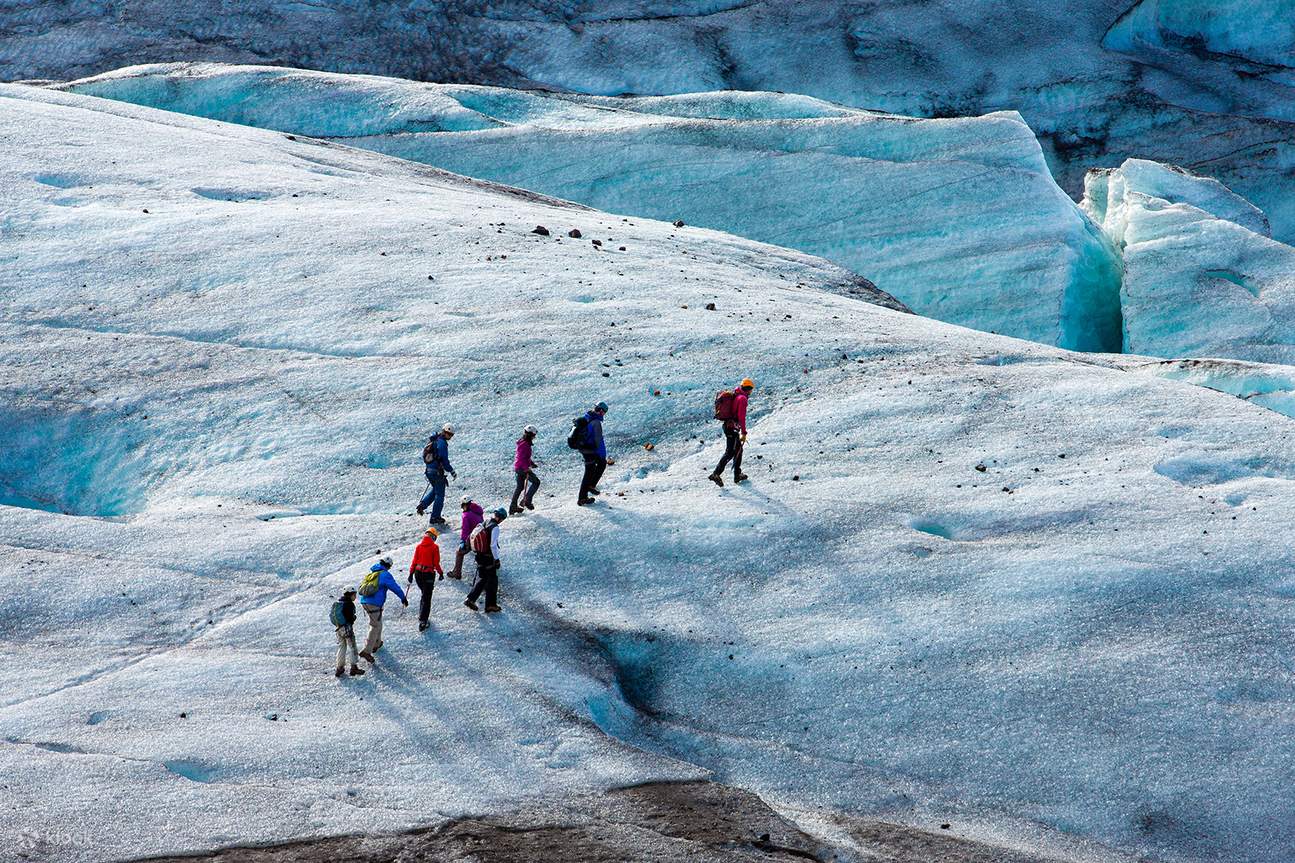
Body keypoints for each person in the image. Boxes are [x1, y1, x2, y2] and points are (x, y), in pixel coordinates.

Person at [358, 556, 407, 663]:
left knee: (378, 623)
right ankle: (367, 651)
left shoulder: (372, 573)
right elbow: (394, 587)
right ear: (388, 566)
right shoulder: (385, 574)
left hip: (365, 601)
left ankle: (377, 643)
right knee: (375, 626)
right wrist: (403, 597)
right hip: (374, 603)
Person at [710, 378, 753, 486]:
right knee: (730, 452)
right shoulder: (742, 399)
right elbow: (741, 417)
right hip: (732, 428)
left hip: (729, 426)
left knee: (738, 450)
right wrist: (744, 432)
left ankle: (737, 474)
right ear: (749, 389)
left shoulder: (737, 395)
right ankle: (716, 474)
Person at [465, 508, 506, 613]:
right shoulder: (495, 527)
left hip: (479, 555)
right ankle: (490, 605)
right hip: (488, 557)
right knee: (492, 579)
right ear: (501, 518)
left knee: (483, 577)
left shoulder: (486, 521)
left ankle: (471, 599)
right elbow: (493, 545)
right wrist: (496, 559)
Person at [417, 423, 457, 525]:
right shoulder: (442, 443)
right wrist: (451, 471)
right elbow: (444, 460)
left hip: (429, 471)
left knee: (436, 490)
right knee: (440, 495)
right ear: (445, 432)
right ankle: (435, 517)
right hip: (437, 472)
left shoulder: (434, 440)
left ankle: (422, 505)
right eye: (449, 434)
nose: (450, 437)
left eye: (451, 435)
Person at [575, 401, 615, 506]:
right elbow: (598, 441)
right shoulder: (596, 422)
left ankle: (587, 492)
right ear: (601, 411)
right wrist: (602, 455)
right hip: (589, 450)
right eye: (604, 412)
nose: (604, 414)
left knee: (592, 469)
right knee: (597, 467)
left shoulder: (587, 417)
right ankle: (584, 495)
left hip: (584, 448)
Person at [407, 527, 444, 632]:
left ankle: (421, 615)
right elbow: (436, 563)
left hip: (417, 574)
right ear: (433, 537)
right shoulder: (434, 547)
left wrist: (411, 574)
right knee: (427, 597)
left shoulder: (419, 546)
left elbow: (414, 561)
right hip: (428, 575)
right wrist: (441, 573)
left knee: (424, 594)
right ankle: (423, 621)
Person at [331, 588, 364, 678]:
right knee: (352, 647)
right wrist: (353, 618)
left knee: (342, 647)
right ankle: (354, 667)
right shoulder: (349, 604)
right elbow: (350, 618)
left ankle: (339, 668)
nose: (355, 597)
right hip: (347, 629)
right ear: (350, 594)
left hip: (338, 628)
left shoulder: (339, 602)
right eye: (354, 595)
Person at [450, 495, 484, 579]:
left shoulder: (466, 515)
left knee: (459, 552)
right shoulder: (477, 510)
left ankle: (457, 573)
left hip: (474, 537)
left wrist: (463, 541)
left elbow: (465, 530)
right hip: (482, 535)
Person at [510, 424, 541, 514]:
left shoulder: (523, 442)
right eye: (534, 435)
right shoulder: (525, 445)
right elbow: (522, 458)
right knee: (536, 482)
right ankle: (527, 500)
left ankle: (513, 507)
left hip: (518, 467)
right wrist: (526, 468)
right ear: (530, 435)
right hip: (522, 468)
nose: (534, 437)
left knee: (520, 487)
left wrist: (531, 463)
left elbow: (525, 457)